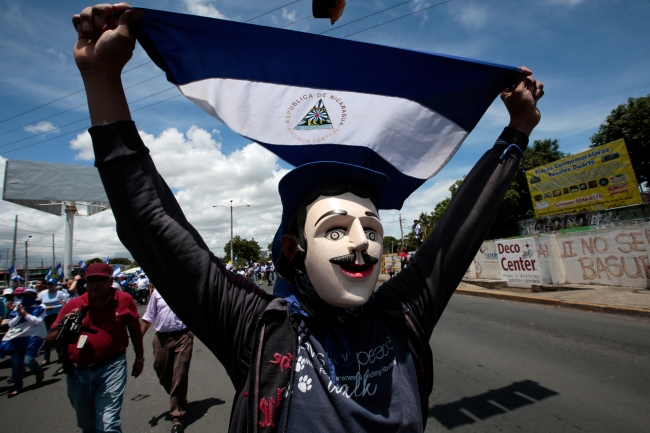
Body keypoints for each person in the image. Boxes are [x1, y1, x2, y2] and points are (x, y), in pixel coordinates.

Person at [71, 4, 543, 431]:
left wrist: (516, 132)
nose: (362, 243)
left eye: (372, 229)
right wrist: (103, 78)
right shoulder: (256, 329)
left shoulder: (402, 316)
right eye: (335, 229)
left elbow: (460, 231)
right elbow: (151, 223)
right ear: (293, 250)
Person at [46, 263, 144, 433]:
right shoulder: (73, 305)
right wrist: (65, 328)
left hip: (112, 367)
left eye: (100, 280)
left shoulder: (124, 300)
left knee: (108, 424)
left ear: (110, 281)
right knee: (87, 425)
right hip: (78, 374)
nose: (95, 284)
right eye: (91, 280)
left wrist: (139, 358)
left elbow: (135, 331)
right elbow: (50, 341)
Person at [141, 289, 194, 433]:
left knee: (179, 373)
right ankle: (178, 397)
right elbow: (148, 316)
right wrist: (137, 339)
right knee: (162, 371)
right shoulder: (157, 292)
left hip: (183, 336)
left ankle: (177, 418)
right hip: (162, 338)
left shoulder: (185, 289)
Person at [0, 287, 46, 397]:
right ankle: (17, 386)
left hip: (33, 337)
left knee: (28, 361)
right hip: (17, 338)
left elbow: (37, 322)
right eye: (24, 296)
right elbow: (11, 324)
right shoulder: (18, 308)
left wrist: (25, 314)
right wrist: (19, 314)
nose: (25, 299)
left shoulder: (40, 308)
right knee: (16, 364)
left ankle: (39, 371)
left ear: (34, 297)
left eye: (28, 296)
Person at [38, 277, 67, 366]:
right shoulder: (43, 294)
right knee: (48, 337)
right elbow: (40, 305)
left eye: (52, 284)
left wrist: (53, 307)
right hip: (47, 317)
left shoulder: (60, 293)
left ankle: (60, 355)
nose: (50, 286)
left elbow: (64, 304)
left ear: (55, 285)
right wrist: (44, 308)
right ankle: (46, 358)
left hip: (57, 316)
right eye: (48, 284)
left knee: (57, 336)